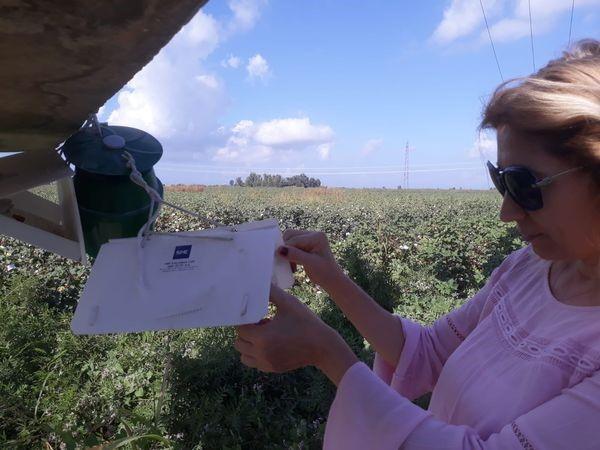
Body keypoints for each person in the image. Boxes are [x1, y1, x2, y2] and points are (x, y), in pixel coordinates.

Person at [233, 39, 600, 449]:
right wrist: (332, 278)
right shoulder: (527, 269)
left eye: (524, 185)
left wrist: (328, 354)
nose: (507, 212)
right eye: (501, 180)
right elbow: (427, 353)